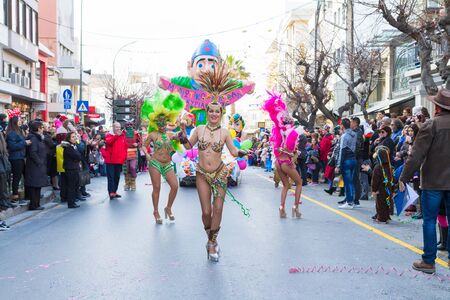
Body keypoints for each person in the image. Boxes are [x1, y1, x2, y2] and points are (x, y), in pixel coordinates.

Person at [399, 88, 450, 274]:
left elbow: (416, 155)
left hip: (433, 181)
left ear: (437, 106)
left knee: (429, 221)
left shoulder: (431, 125)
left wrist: (404, 176)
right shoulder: (431, 124)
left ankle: (429, 261)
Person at [140, 92, 185, 224]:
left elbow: (181, 137)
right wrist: (147, 154)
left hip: (167, 164)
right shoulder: (153, 134)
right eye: (159, 122)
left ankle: (168, 208)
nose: (161, 124)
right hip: (155, 163)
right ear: (155, 122)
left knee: (175, 186)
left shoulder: (171, 134)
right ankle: (156, 211)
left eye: (163, 122)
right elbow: (143, 145)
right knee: (157, 188)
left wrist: (182, 128)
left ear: (167, 122)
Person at [261, 92, 303, 219]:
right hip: (286, 163)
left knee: (285, 185)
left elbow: (278, 149)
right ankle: (295, 207)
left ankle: (281, 207)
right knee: (299, 183)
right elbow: (290, 151)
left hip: (278, 163)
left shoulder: (279, 133)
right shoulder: (293, 134)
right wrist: (294, 153)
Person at [6, 115, 30, 206]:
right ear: (15, 122)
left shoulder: (18, 131)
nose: (21, 121)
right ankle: (15, 196)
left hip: (20, 157)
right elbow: (12, 147)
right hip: (15, 158)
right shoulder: (12, 132)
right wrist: (24, 143)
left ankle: (23, 195)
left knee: (20, 176)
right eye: (19, 120)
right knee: (17, 177)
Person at [24, 121, 48, 210]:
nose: (43, 129)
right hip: (35, 166)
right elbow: (33, 152)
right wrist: (39, 162)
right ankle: (33, 205)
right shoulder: (34, 138)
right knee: (34, 185)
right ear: (38, 128)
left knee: (38, 186)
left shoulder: (38, 138)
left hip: (38, 165)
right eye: (42, 127)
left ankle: (37, 204)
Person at [102, 122, 128, 200]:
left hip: (119, 160)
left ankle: (114, 191)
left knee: (117, 177)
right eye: (116, 127)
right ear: (113, 127)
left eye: (119, 127)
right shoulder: (109, 135)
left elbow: (125, 147)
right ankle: (111, 192)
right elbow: (109, 142)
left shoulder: (122, 136)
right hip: (110, 160)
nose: (118, 129)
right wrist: (117, 135)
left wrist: (125, 157)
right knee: (111, 177)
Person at [335, 118, 357, 209]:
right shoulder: (354, 134)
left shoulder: (344, 136)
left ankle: (349, 202)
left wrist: (338, 165)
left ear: (342, 126)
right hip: (353, 159)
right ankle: (352, 201)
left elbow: (342, 151)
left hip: (346, 160)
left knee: (347, 182)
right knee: (351, 182)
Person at [371, 146, 394, 223]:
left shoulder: (378, 167)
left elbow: (375, 180)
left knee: (380, 204)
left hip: (380, 189)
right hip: (388, 188)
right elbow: (393, 178)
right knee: (387, 202)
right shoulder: (390, 167)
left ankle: (381, 218)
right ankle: (387, 216)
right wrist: (393, 189)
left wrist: (374, 190)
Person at [61, 132, 81, 208]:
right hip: (71, 168)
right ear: (69, 138)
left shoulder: (73, 146)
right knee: (71, 186)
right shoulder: (69, 147)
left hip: (73, 168)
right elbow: (78, 156)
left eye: (75, 136)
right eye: (73, 137)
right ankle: (71, 203)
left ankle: (72, 201)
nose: (75, 138)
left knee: (73, 185)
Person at [123, 120, 141, 191]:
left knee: (133, 167)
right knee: (126, 169)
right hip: (124, 153)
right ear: (125, 125)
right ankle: (127, 183)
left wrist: (137, 144)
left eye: (130, 124)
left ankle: (133, 183)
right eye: (127, 125)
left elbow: (140, 142)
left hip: (133, 152)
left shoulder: (136, 133)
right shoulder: (122, 133)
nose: (129, 126)